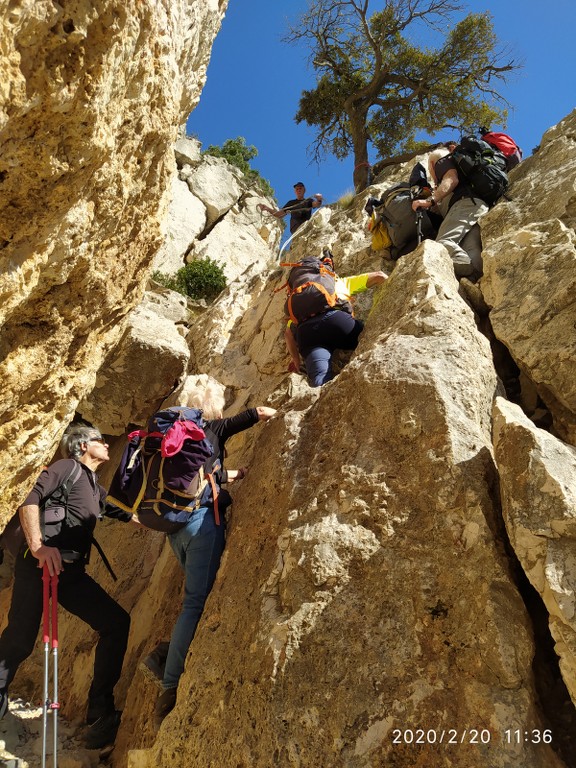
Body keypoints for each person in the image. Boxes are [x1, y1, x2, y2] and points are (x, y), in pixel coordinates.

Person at [140, 378, 277, 727]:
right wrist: (286, 412)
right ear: (213, 404)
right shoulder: (210, 427)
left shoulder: (173, 435)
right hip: (203, 523)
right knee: (195, 602)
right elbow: (256, 414)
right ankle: (168, 686)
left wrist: (237, 473)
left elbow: (202, 476)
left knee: (194, 598)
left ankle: (165, 654)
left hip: (175, 527)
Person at [0, 425, 133, 749]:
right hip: (38, 567)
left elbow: (125, 514)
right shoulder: (66, 467)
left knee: (116, 623)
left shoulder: (92, 484)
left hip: (70, 574)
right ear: (84, 445)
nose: (106, 445)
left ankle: (99, 714)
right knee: (19, 641)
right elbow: (30, 498)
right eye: (102, 441)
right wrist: (38, 546)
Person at [285, 264, 388, 387]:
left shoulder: (298, 300)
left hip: (307, 334)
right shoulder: (334, 283)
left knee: (320, 378)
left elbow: (288, 334)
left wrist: (296, 360)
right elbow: (379, 276)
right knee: (369, 339)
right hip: (336, 322)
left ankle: (322, 392)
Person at [411, 147, 488, 281]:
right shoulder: (464, 170)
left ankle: (466, 268)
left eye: (431, 172)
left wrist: (430, 200)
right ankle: (474, 281)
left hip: (464, 205)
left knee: (441, 244)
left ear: (432, 164)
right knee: (470, 249)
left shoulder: (443, 161)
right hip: (478, 206)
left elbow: (451, 179)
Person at [258, 182, 323, 234]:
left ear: (304, 190)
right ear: (295, 192)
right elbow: (279, 215)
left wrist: (319, 199)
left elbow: (317, 204)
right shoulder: (291, 203)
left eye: (300, 188)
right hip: (295, 228)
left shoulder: (309, 201)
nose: (298, 190)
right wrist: (267, 208)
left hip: (306, 227)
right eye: (297, 189)